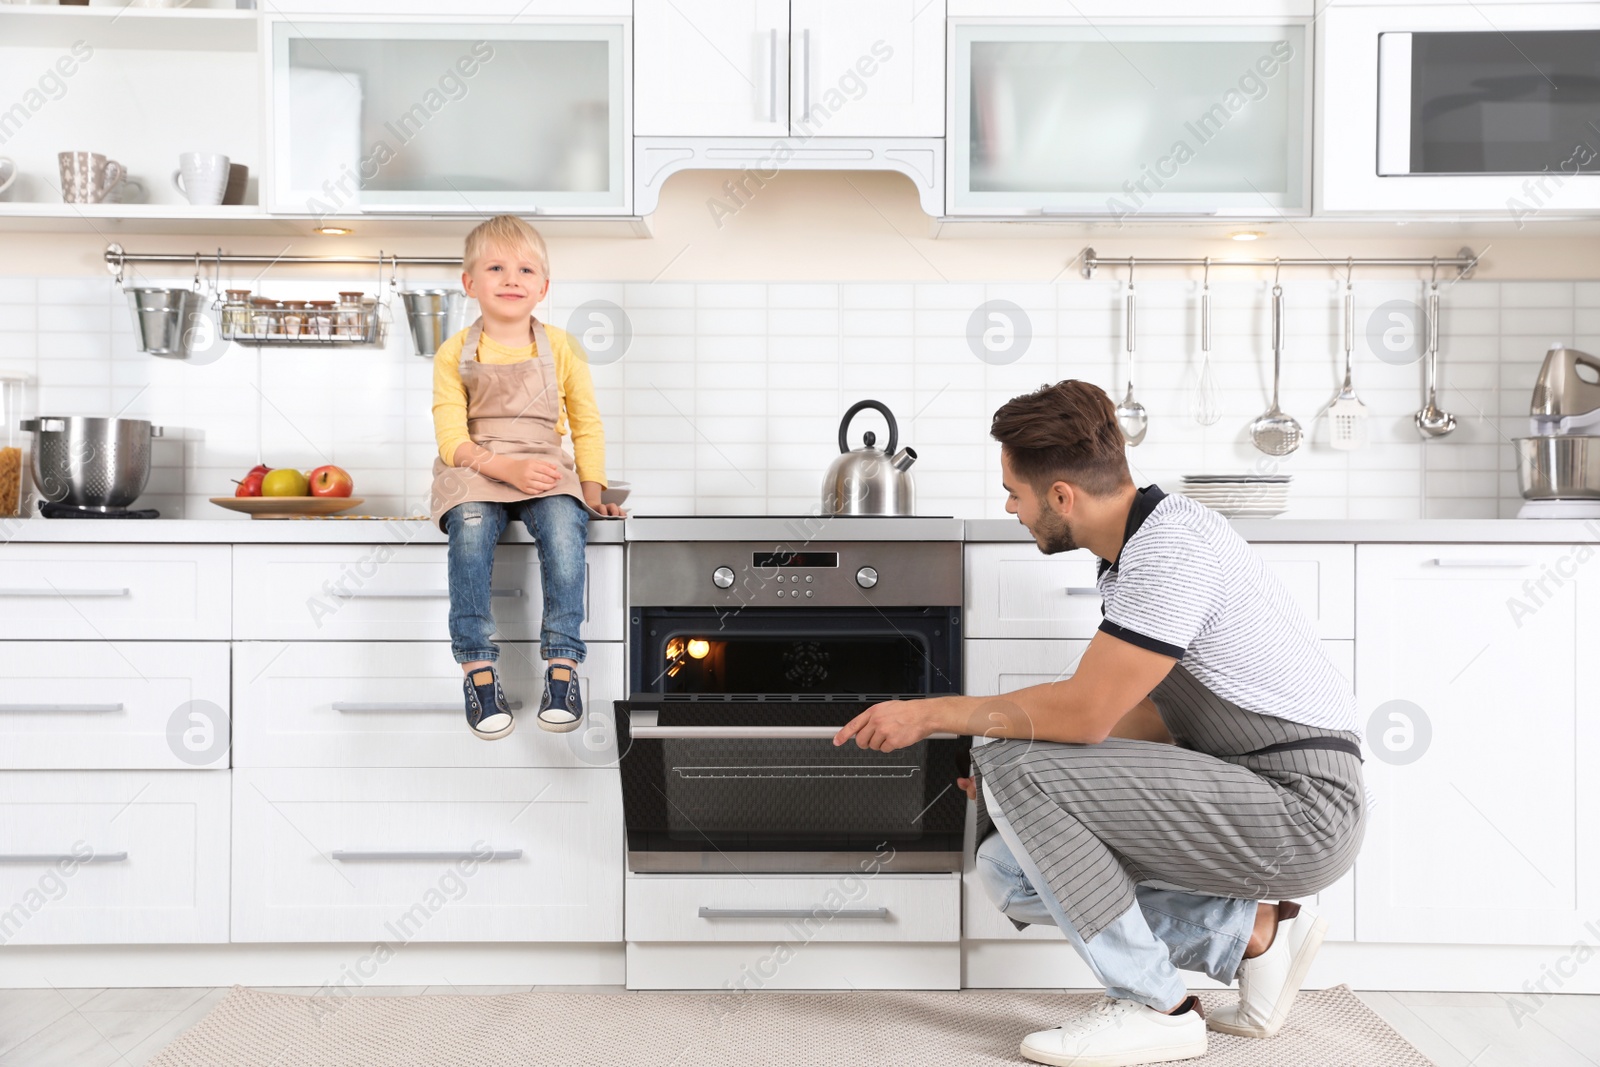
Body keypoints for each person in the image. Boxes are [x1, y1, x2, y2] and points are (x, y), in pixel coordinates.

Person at [834, 380, 1365, 1066]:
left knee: (1009, 761)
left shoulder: (1171, 547)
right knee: (1006, 860)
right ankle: (1253, 934)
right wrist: (1027, 795)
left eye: (1013, 491)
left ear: (1061, 496)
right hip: (1253, 792)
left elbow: (1085, 714)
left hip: (1305, 809)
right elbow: (1141, 717)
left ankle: (1157, 1006)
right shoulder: (1138, 554)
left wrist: (934, 716)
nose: (1008, 507)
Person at [430, 215, 623, 741]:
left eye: (525, 269)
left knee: (564, 529)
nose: (511, 278)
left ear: (543, 286)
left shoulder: (561, 346)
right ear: (470, 283)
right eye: (495, 267)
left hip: (543, 466)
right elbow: (452, 441)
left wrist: (591, 496)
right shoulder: (454, 352)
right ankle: (477, 668)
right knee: (470, 527)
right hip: (476, 470)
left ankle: (563, 666)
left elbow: (586, 425)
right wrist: (505, 467)